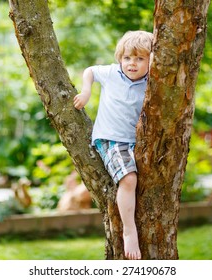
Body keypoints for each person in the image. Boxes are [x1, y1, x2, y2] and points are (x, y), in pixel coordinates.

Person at [73, 30, 153, 260]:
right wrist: (86, 91)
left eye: (140, 58)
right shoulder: (112, 73)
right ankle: (129, 231)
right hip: (111, 138)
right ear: (120, 59)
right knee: (129, 178)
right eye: (127, 57)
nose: (132, 64)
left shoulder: (153, 82)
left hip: (135, 142)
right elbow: (90, 71)